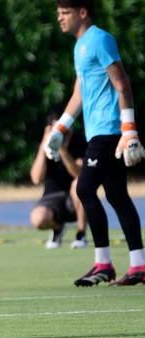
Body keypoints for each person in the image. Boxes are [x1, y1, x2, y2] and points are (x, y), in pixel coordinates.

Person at [45, 0, 145, 286]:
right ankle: (139, 266)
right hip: (98, 131)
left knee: (84, 187)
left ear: (82, 12)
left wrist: (130, 130)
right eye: (59, 14)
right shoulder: (80, 46)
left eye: (65, 13)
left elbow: (122, 83)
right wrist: (61, 127)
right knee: (117, 195)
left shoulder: (100, 39)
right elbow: (80, 90)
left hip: (109, 131)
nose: (60, 19)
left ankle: (103, 263)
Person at [30, 110, 87, 249]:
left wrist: (62, 149)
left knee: (78, 184)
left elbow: (79, 174)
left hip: (76, 199)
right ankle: (58, 228)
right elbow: (36, 179)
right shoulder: (46, 145)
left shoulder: (79, 141)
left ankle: (81, 234)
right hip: (53, 197)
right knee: (38, 219)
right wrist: (45, 143)